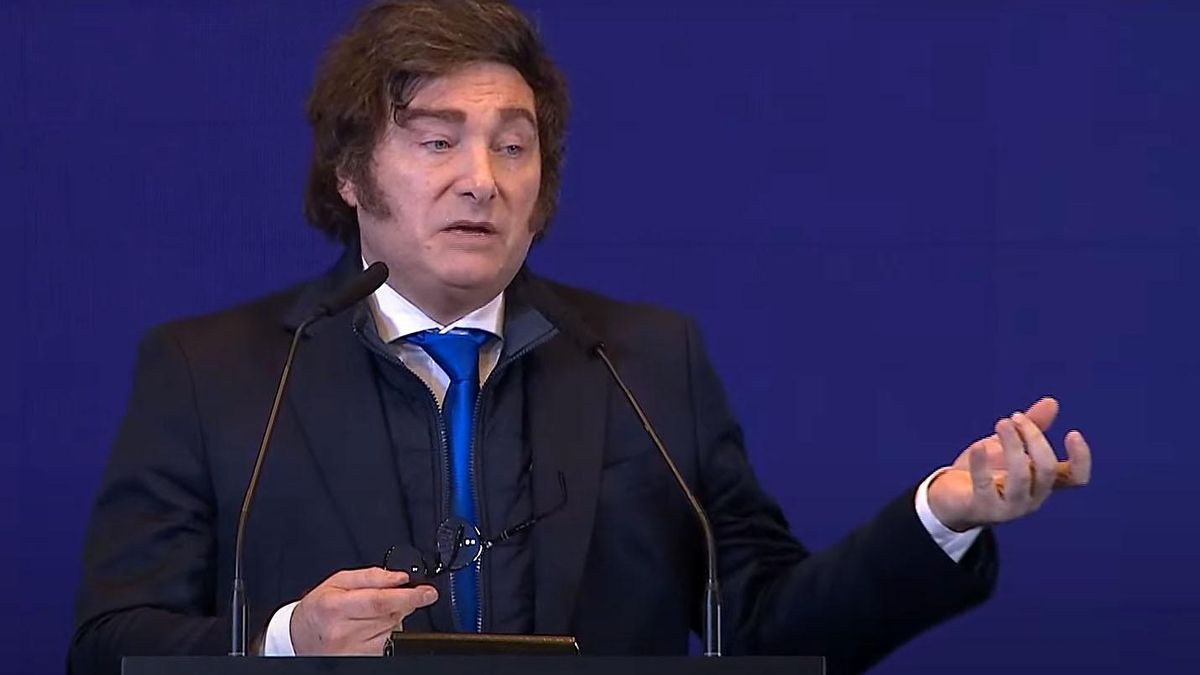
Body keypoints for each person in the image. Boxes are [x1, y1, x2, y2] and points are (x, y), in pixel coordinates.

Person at [68, 2, 1093, 674]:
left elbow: (767, 628)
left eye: (513, 145)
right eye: (437, 140)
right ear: (350, 173)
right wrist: (290, 639)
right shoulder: (215, 370)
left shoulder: (646, 362)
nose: (482, 179)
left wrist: (941, 515)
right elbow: (109, 645)